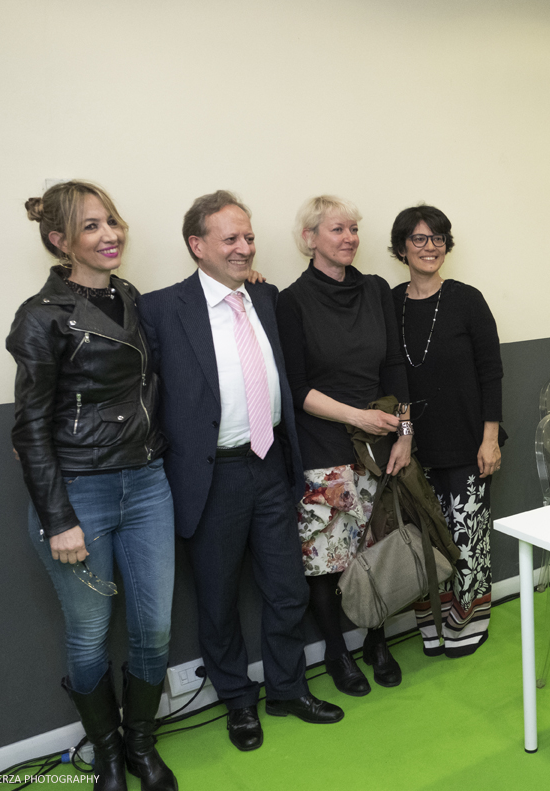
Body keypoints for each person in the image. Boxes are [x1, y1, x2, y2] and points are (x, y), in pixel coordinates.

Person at [139, 190, 343, 755]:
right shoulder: (161, 309)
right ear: (196, 245)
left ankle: (285, 687)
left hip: (272, 464)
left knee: (286, 590)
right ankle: (237, 700)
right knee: (219, 599)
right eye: (230, 238)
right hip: (211, 477)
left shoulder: (267, 298)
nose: (244, 247)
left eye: (248, 237)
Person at [8, 181, 177, 791]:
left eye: (113, 222)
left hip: (149, 483)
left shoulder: (131, 297)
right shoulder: (41, 316)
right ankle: (107, 756)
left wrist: (243, 286)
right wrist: (58, 519)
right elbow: (28, 429)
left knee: (154, 629)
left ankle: (140, 743)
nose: (110, 236)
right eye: (90, 228)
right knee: (88, 633)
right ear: (61, 241)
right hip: (80, 495)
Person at [275, 195, 413, 697]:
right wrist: (357, 416)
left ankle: (378, 641)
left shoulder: (376, 290)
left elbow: (395, 367)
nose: (349, 238)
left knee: (376, 550)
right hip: (323, 448)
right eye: (337, 229)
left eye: (354, 228)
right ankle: (337, 652)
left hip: (378, 448)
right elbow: (296, 388)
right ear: (310, 238)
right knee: (327, 560)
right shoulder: (290, 302)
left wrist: (404, 433)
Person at [388, 205, 503, 657]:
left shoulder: (466, 299)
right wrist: (406, 431)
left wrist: (490, 437)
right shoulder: (390, 303)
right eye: (419, 239)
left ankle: (469, 623)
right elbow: (396, 381)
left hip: (468, 445)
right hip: (414, 448)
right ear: (402, 248)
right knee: (424, 542)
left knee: (468, 540)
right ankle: (433, 624)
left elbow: (491, 372)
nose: (430, 247)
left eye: (438, 238)